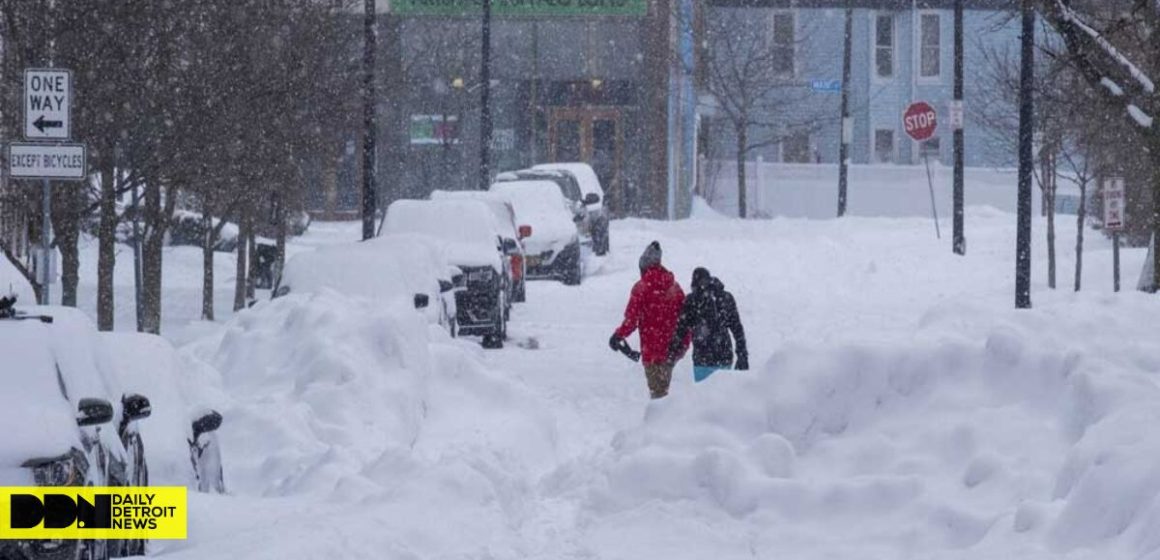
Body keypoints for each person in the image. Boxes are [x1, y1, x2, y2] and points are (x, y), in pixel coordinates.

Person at [610, 241, 687, 399]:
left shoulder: (641, 288)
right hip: (673, 348)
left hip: (653, 350)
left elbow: (631, 320)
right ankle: (669, 415)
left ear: (643, 266)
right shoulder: (675, 287)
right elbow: (686, 317)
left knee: (658, 394)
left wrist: (618, 336)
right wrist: (682, 344)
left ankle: (662, 421)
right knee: (663, 388)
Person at [667, 267, 748, 382]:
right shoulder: (725, 298)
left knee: (705, 397)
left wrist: (671, 352)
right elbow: (737, 329)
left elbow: (681, 329)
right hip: (724, 356)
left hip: (702, 358)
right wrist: (742, 354)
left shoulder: (692, 301)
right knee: (725, 396)